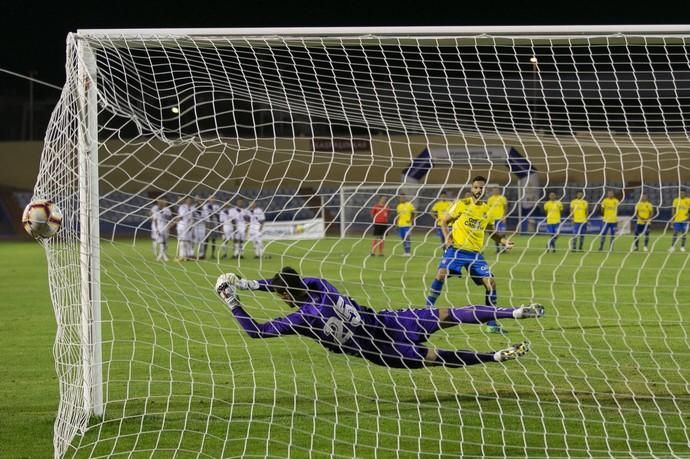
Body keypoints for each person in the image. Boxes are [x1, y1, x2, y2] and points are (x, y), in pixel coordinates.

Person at [215, 267, 543, 369]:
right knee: (448, 313)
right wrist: (249, 283)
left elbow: (256, 332)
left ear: (285, 296)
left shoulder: (303, 319)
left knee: (436, 357)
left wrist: (233, 299)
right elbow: (300, 283)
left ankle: (496, 356)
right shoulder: (324, 288)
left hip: (381, 350)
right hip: (390, 321)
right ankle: (512, 311)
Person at [424, 176, 514, 334]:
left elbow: (491, 232)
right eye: (476, 187)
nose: (479, 190)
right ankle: (427, 309)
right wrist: (447, 237)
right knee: (440, 274)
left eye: (481, 188)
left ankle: (492, 323)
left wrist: (504, 241)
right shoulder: (461, 204)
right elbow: (444, 221)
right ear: (471, 189)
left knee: (491, 283)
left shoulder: (487, 210)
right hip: (457, 249)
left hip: (475, 254)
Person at [487, 187, 509, 253]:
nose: (495, 191)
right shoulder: (490, 199)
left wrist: (504, 216)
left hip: (501, 219)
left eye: (497, 190)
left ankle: (504, 248)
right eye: (494, 190)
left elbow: (506, 208)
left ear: (499, 191)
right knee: (495, 234)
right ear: (492, 191)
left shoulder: (502, 198)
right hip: (493, 220)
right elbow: (488, 209)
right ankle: (498, 249)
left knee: (502, 234)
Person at [150, 196, 172, 261]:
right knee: (161, 241)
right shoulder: (155, 209)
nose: (164, 202)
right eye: (162, 201)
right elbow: (155, 219)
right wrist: (156, 229)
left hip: (165, 227)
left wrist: (169, 224)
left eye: (165, 201)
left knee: (165, 241)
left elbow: (170, 218)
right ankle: (161, 256)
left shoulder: (167, 209)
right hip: (159, 227)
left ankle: (163, 254)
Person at [175, 196, 196, 261]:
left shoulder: (193, 207)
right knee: (182, 241)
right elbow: (181, 216)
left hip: (190, 226)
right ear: (185, 200)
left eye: (190, 200)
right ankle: (182, 255)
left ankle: (189, 255)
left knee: (189, 241)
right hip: (183, 225)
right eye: (187, 200)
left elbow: (193, 217)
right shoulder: (182, 207)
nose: (189, 201)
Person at [203, 195, 223, 259]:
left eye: (213, 198)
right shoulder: (205, 206)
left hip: (214, 223)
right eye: (211, 198)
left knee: (213, 240)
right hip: (208, 223)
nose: (212, 199)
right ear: (208, 199)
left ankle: (212, 254)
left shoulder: (217, 206)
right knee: (206, 239)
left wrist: (219, 225)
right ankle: (204, 254)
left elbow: (218, 215)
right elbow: (204, 214)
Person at [192, 195, 210, 259]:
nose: (198, 201)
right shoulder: (193, 208)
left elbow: (207, 220)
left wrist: (207, 229)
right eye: (197, 200)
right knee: (194, 241)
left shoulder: (205, 209)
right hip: (195, 226)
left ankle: (201, 255)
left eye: (199, 200)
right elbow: (191, 218)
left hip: (202, 226)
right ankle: (192, 254)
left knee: (202, 241)